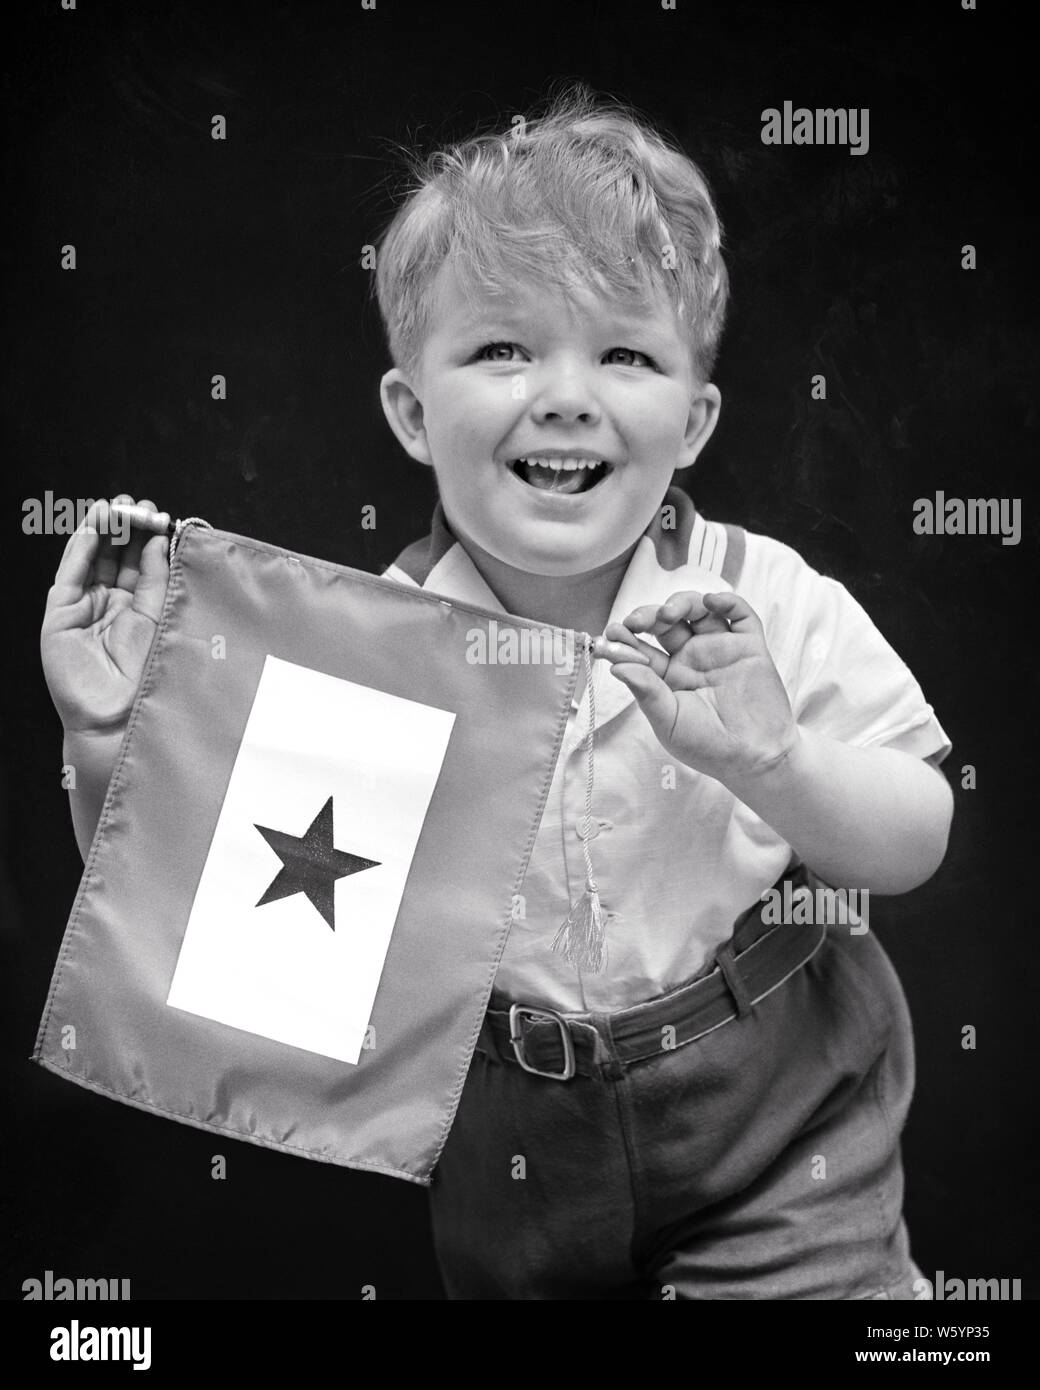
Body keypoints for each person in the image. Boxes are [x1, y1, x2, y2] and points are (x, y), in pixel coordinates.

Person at [41, 84, 953, 1300]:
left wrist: (771, 762)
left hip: (776, 1123)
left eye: (624, 352)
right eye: (501, 348)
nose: (566, 392)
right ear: (412, 413)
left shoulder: (762, 599)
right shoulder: (373, 646)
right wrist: (109, 733)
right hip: (516, 1151)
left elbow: (915, 836)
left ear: (693, 418)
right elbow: (220, 944)